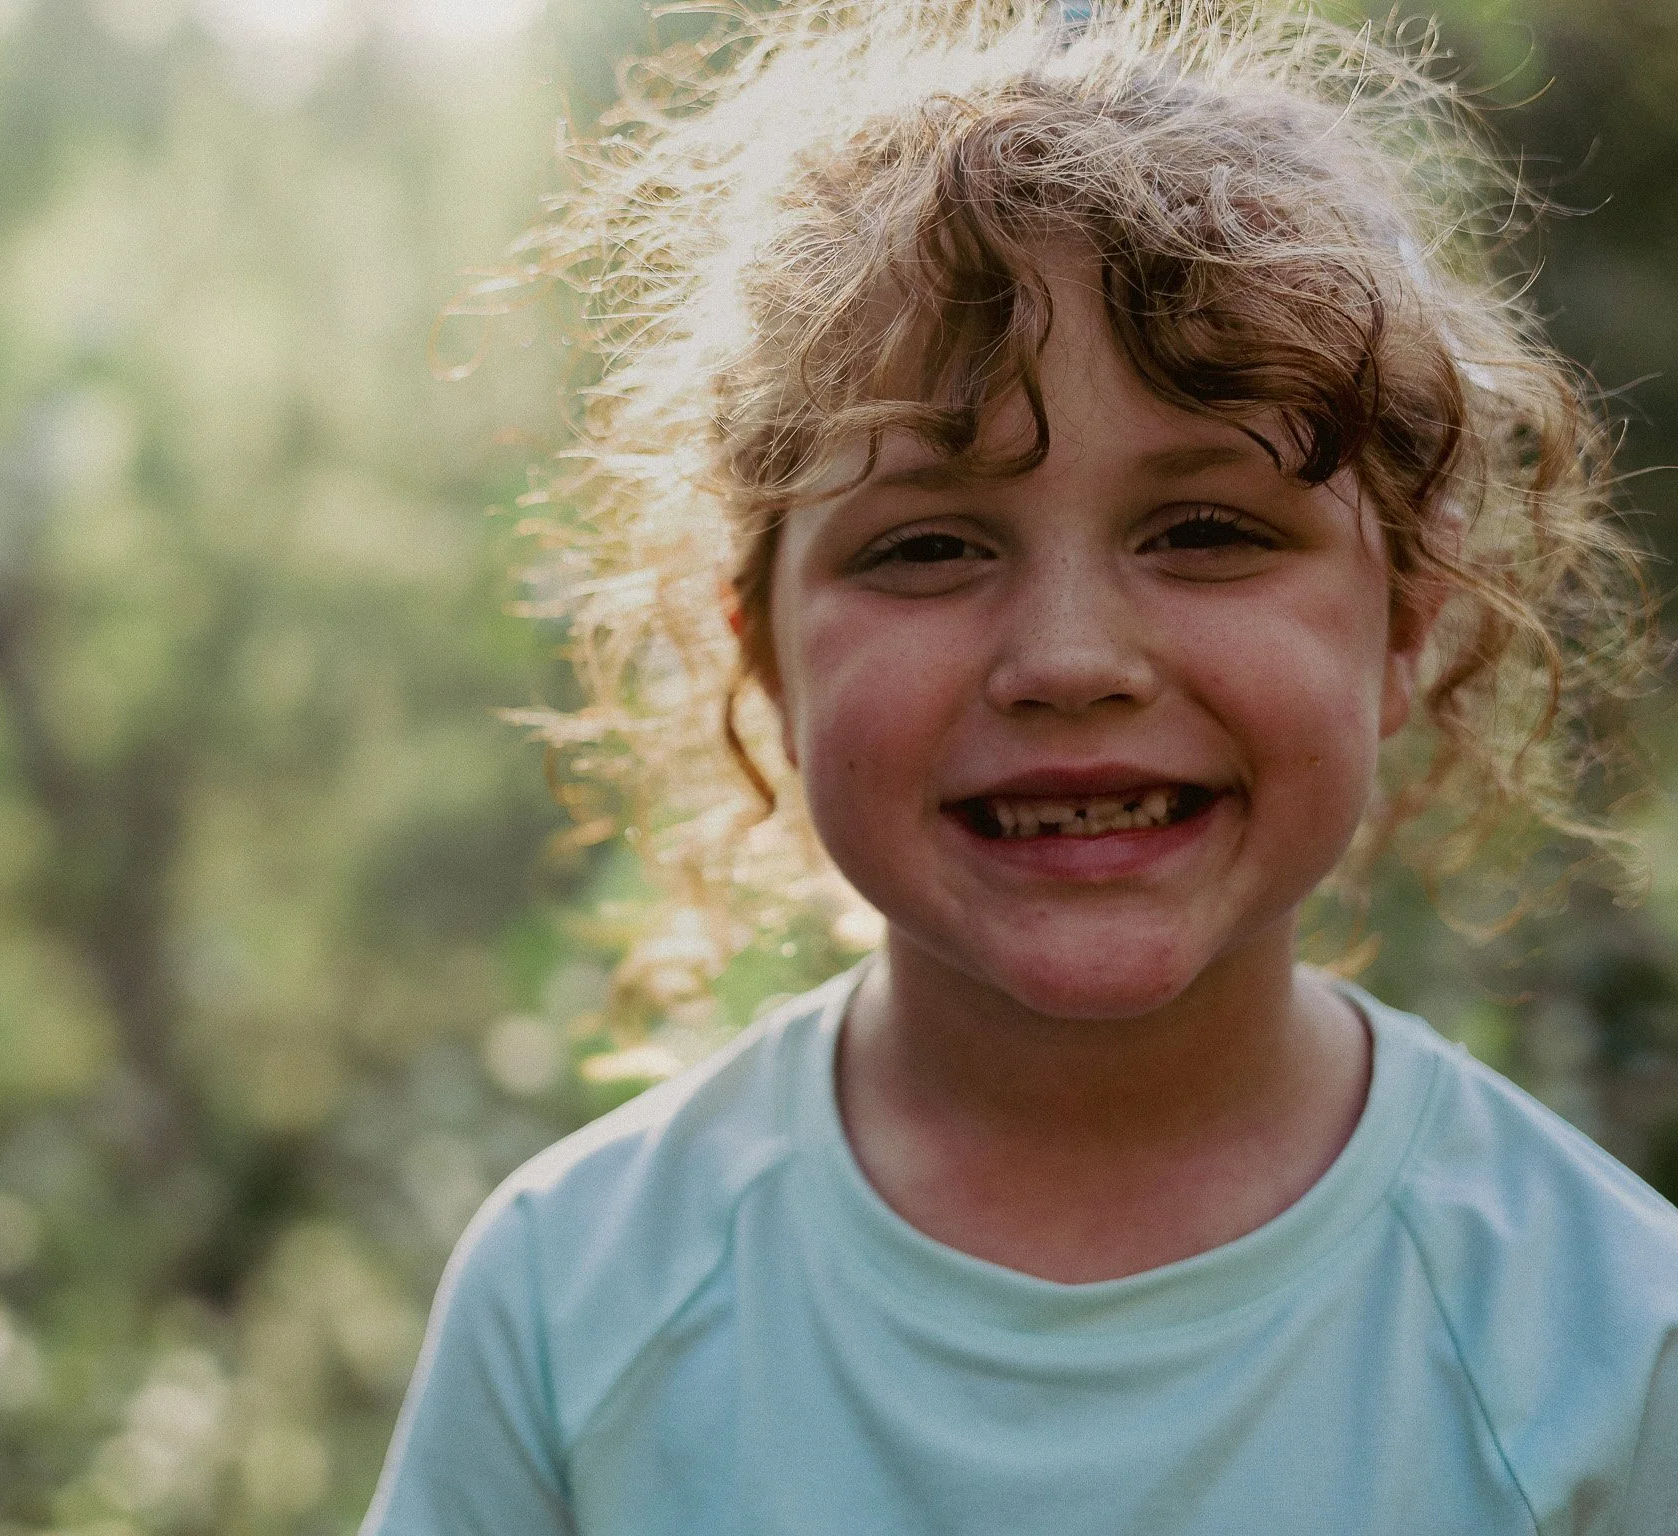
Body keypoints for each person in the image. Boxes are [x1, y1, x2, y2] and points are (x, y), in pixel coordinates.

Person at [366, 2, 1678, 1530]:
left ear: (1405, 627)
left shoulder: (1606, 1339)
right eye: (927, 545)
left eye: (1207, 532)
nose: (1068, 659)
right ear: (767, 655)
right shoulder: (573, 1306)